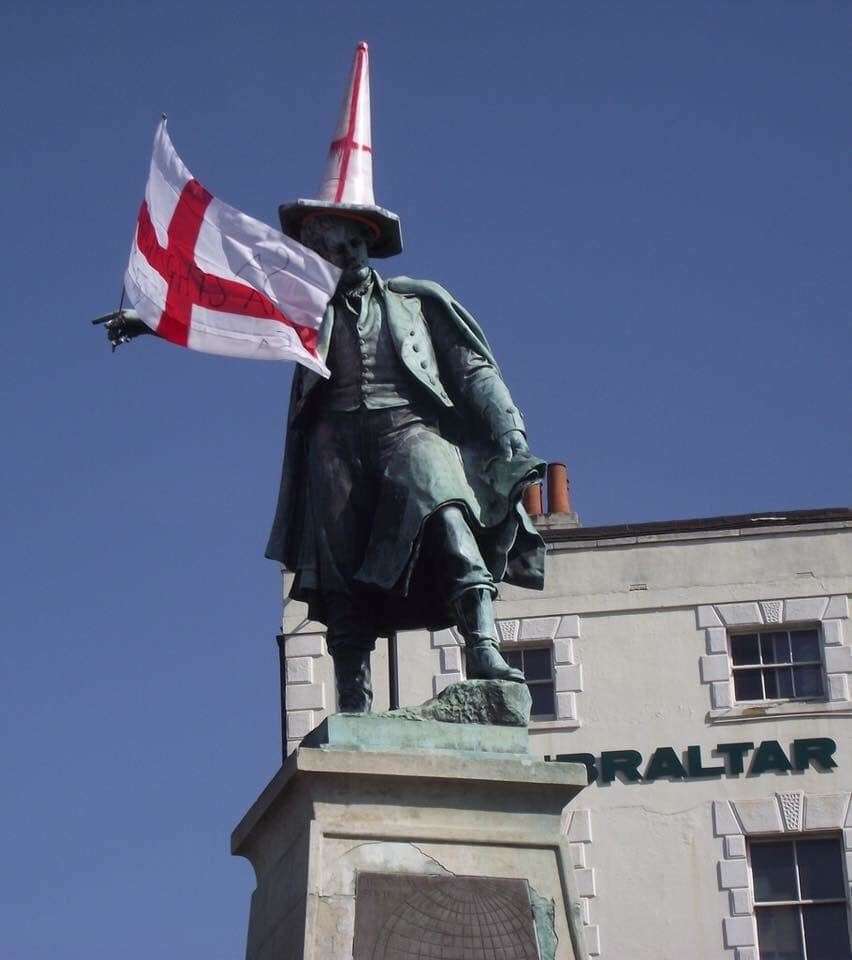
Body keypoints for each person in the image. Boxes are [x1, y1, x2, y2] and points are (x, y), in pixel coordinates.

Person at [99, 42, 546, 712]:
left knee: (446, 510)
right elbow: (219, 299)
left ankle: (481, 644)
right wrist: (151, 316)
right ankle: (354, 695)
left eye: (354, 240)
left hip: (406, 427)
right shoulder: (300, 305)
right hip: (333, 440)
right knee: (339, 574)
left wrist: (508, 432)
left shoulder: (417, 301)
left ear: (369, 243)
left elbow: (472, 367)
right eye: (331, 240)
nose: (342, 251)